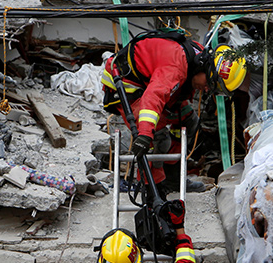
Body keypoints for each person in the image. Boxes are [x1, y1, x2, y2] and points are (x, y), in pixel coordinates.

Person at [101, 30, 247, 191]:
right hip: (127, 84)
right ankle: (151, 188)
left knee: (189, 122)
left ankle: (172, 178)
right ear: (205, 68)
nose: (206, 90)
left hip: (150, 81)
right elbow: (153, 98)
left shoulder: (197, 56)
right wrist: (144, 134)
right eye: (209, 84)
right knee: (156, 137)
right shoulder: (175, 67)